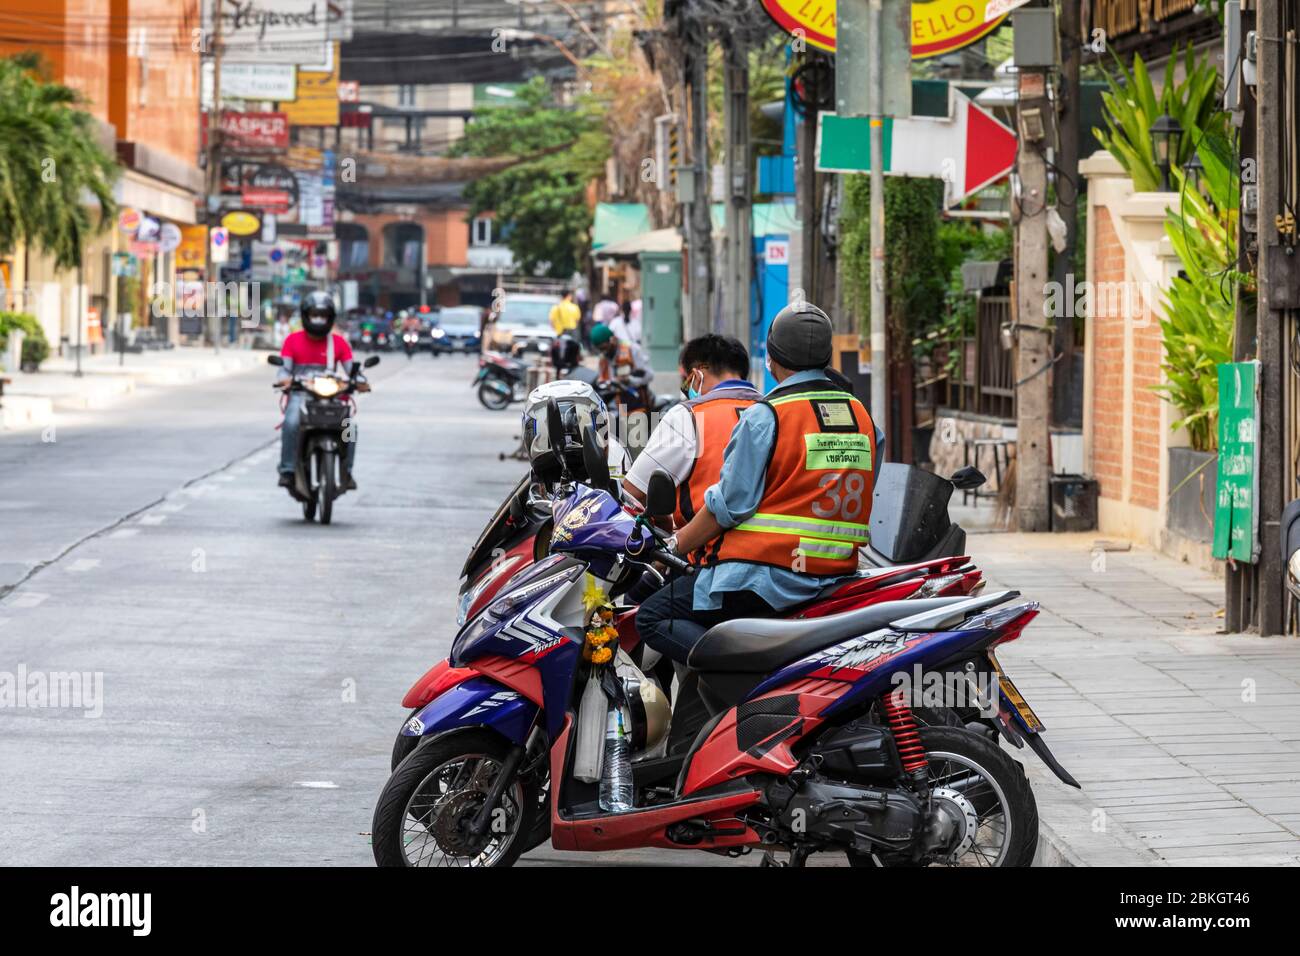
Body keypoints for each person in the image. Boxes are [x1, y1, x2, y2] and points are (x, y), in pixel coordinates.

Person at [635, 302, 878, 666]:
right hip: (835, 574)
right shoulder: (862, 416)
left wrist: (674, 544)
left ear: (772, 359)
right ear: (827, 357)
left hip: (764, 579)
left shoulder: (768, 415)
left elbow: (728, 506)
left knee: (653, 616)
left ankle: (746, 673)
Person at [623, 334, 759, 527]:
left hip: (704, 543)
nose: (686, 391)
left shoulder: (689, 415)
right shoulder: (774, 410)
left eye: (685, 382)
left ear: (698, 375)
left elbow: (632, 491)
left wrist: (664, 522)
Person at [276, 291, 366, 490]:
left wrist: (360, 381)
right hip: (301, 395)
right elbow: (283, 370)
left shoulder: (339, 343)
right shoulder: (292, 341)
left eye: (323, 315)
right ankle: (287, 470)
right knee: (291, 423)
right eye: (314, 315)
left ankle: (347, 471)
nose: (318, 319)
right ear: (305, 316)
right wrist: (284, 380)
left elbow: (352, 371)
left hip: (333, 398)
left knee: (350, 428)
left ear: (330, 317)